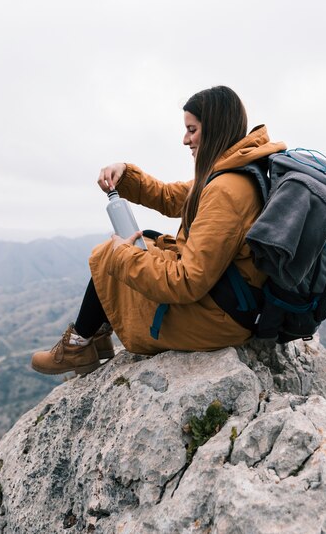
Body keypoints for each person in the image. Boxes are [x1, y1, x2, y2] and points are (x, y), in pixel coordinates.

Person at [31, 86, 286, 375]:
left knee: (111, 254)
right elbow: (171, 196)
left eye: (192, 129)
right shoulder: (235, 170)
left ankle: (79, 345)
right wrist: (124, 173)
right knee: (143, 241)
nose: (185, 139)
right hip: (232, 298)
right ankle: (93, 337)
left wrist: (123, 258)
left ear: (214, 128)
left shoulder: (227, 190)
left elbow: (188, 281)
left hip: (220, 318)